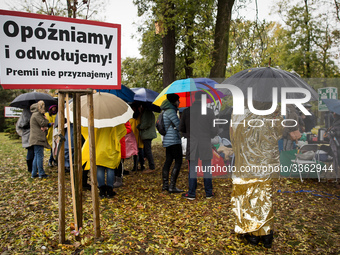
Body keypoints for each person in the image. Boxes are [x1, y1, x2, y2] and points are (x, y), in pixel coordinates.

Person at [230, 102, 282, 248]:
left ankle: (252, 232)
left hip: (246, 162)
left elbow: (233, 135)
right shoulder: (274, 110)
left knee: (248, 196)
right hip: (265, 163)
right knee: (264, 197)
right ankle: (266, 234)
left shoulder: (239, 111)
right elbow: (279, 133)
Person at [179, 91, 217, 200]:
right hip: (205, 143)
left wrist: (189, 134)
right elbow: (215, 130)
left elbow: (181, 128)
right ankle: (209, 193)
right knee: (207, 168)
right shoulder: (209, 112)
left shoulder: (187, 111)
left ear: (195, 99)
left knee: (192, 169)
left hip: (193, 143)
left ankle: (191, 193)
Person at [82, 124, 127, 198]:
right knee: (110, 169)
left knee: (100, 169)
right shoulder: (114, 122)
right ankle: (109, 190)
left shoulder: (96, 122)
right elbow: (122, 131)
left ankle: (102, 191)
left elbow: (86, 131)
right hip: (111, 148)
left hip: (99, 149)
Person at [160, 94, 183, 193]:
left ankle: (165, 185)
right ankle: (172, 186)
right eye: (178, 100)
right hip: (174, 140)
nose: (179, 102)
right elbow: (179, 126)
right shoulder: (171, 111)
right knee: (178, 161)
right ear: (174, 101)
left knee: (168, 161)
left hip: (167, 140)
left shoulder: (165, 110)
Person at [29, 100, 51, 178]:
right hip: (38, 138)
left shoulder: (34, 114)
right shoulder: (37, 114)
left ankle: (34, 173)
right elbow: (43, 123)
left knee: (36, 156)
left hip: (35, 138)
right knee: (39, 156)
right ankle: (41, 173)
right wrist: (45, 119)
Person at [138, 104, 157, 173]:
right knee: (147, 150)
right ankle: (151, 166)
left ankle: (152, 167)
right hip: (148, 134)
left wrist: (139, 126)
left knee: (148, 151)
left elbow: (146, 124)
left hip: (147, 134)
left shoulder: (147, 113)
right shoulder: (148, 112)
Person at [16, 103, 35, 173]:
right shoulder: (26, 112)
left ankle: (32, 167)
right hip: (28, 134)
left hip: (32, 134)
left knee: (32, 151)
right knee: (31, 151)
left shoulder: (32, 112)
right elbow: (21, 125)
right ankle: (30, 167)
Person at [324, 112, 340, 179]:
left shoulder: (337, 123)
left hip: (337, 147)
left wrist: (330, 132)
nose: (333, 114)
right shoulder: (335, 123)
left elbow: (330, 136)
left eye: (334, 113)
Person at [129, 103, 145, 171]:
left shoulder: (140, 116)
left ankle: (142, 166)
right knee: (135, 153)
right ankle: (135, 166)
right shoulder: (132, 116)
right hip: (134, 136)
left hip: (138, 136)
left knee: (140, 152)